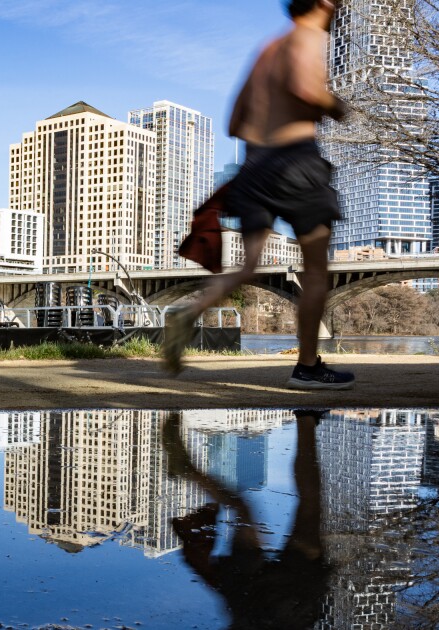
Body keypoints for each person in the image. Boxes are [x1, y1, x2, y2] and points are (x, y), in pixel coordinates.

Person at [161, 0, 355, 390]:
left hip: (254, 169)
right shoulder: (308, 36)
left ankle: (188, 312)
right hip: (295, 164)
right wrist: (336, 107)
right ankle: (307, 367)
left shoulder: (268, 48)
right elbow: (305, 87)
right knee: (316, 272)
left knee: (248, 267)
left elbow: (234, 121)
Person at [163, 410, 332, 629]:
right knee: (243, 509)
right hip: (252, 605)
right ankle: (188, 471)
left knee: (309, 508)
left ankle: (306, 420)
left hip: (291, 604)